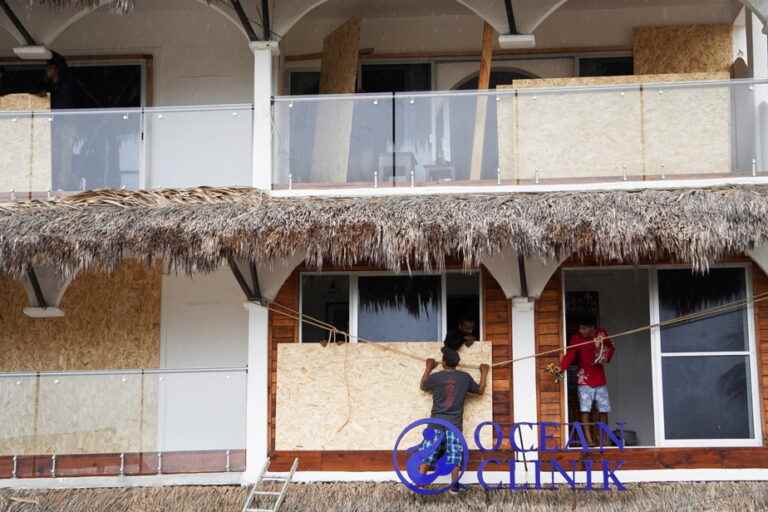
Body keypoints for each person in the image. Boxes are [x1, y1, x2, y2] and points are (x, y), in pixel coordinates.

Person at [418, 346, 489, 494]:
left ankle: (420, 484)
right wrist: (484, 372)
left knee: (428, 453)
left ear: (443, 362)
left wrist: (429, 367)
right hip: (454, 425)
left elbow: (423, 385)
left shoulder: (436, 377)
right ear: (457, 363)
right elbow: (480, 391)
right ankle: (454, 486)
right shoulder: (464, 377)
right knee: (454, 454)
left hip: (435, 423)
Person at [560, 318, 615, 446]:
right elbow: (570, 355)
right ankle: (589, 441)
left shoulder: (601, 334)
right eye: (580, 328)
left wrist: (601, 348)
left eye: (584, 328)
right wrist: (562, 367)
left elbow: (610, 349)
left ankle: (603, 440)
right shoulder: (576, 338)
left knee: (603, 410)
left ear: (592, 328)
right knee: (585, 410)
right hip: (584, 378)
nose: (581, 331)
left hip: (599, 378)